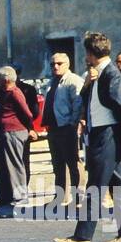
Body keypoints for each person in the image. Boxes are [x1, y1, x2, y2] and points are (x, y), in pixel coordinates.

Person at [55, 30, 121, 242]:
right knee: (118, 184)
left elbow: (116, 103)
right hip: (99, 132)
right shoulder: (97, 74)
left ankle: (82, 236)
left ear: (91, 53)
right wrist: (89, 83)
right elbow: (89, 99)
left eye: (86, 52)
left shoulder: (110, 73)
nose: (85, 57)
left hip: (107, 133)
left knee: (95, 185)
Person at [43, 53, 83, 211]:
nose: (55, 67)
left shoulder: (73, 80)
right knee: (58, 164)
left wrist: (73, 123)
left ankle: (79, 197)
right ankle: (61, 197)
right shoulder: (52, 82)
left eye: (59, 63)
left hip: (67, 127)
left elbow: (78, 103)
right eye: (53, 64)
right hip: (53, 128)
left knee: (73, 163)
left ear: (68, 64)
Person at [0, 66, 34, 210]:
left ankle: (20, 196)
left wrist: (29, 128)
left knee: (15, 164)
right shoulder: (1, 92)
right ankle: (5, 196)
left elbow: (27, 113)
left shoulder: (15, 93)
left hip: (15, 131)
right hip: (4, 131)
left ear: (6, 79)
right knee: (3, 165)